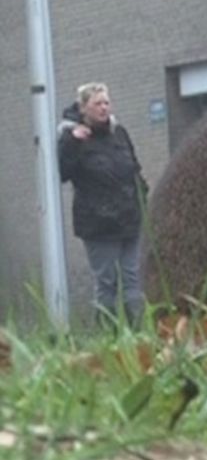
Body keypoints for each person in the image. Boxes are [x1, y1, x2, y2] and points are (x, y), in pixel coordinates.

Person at [57, 82, 148, 327]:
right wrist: (73, 142)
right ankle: (108, 337)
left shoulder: (119, 133)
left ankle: (138, 334)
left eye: (106, 102)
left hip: (129, 218)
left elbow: (134, 169)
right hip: (98, 223)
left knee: (132, 278)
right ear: (83, 107)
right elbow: (62, 173)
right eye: (97, 103)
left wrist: (143, 196)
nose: (104, 108)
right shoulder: (71, 137)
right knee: (106, 282)